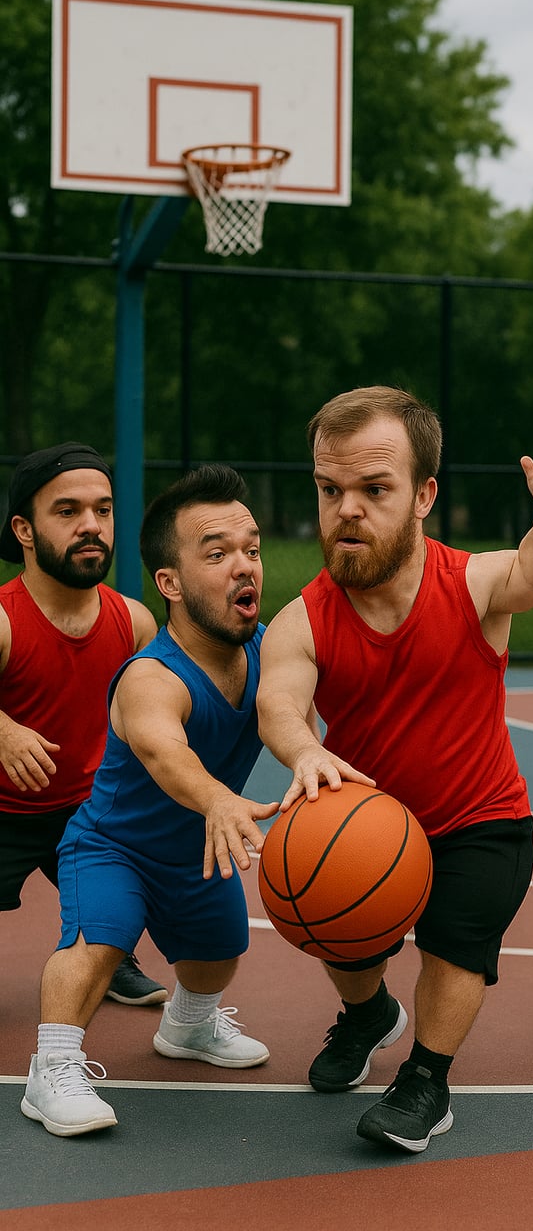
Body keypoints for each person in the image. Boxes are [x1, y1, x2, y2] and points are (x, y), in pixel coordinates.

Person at [256, 385, 533, 1153]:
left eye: (374, 489)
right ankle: (368, 1012)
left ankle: (425, 1080)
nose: (347, 508)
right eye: (330, 489)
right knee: (336, 927)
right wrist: (305, 750)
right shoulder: (302, 619)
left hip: (480, 820)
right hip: (366, 826)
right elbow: (278, 702)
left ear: (423, 495)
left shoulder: (471, 584)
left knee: (455, 939)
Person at [21, 463, 280, 1137]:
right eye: (217, 553)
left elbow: (298, 713)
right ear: (169, 582)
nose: (243, 566)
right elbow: (168, 755)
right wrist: (219, 800)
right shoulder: (151, 676)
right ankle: (51, 1069)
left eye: (251, 549)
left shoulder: (268, 652)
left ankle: (189, 1028)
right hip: (115, 847)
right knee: (97, 946)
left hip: (195, 846)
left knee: (221, 950)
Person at [0, 442, 164, 1005]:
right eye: (67, 512)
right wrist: (4, 729)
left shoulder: (133, 621)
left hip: (88, 810)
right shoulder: (3, 619)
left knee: (137, 876)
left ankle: (112, 955)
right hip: (6, 813)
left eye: (103, 509)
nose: (91, 525)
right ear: (25, 529)